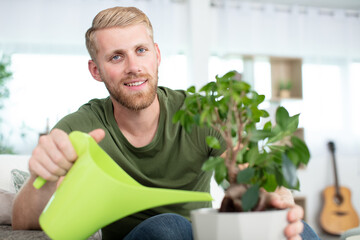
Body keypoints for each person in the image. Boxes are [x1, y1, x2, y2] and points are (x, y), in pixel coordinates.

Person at [12, 6, 319, 240]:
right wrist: (46, 176)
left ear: (156, 55)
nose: (134, 67)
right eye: (116, 57)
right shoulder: (82, 126)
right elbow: (22, 221)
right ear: (96, 70)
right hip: (149, 236)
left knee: (299, 229)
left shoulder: (201, 113)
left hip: (202, 233)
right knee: (168, 226)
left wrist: (275, 202)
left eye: (141, 51)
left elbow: (250, 177)